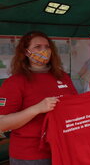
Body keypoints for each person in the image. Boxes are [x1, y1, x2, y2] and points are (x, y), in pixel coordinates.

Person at [0, 31, 78, 165]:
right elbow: (2, 124)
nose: (44, 50)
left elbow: (76, 105)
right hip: (31, 155)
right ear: (25, 52)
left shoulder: (62, 76)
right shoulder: (15, 82)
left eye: (47, 47)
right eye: (37, 47)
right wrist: (36, 109)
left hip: (62, 149)